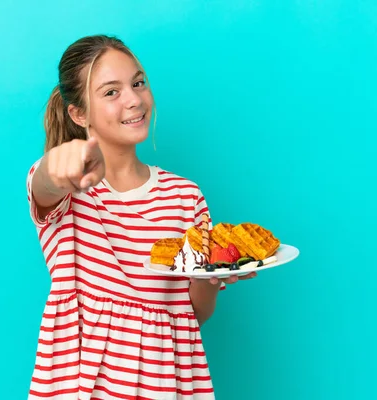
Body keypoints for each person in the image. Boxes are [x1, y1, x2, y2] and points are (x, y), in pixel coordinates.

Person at [26, 34, 256, 400]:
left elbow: (193, 313)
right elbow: (46, 182)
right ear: (78, 113)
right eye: (111, 92)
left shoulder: (185, 196)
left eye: (138, 83)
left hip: (166, 384)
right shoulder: (69, 191)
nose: (134, 99)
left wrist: (214, 274)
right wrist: (61, 165)